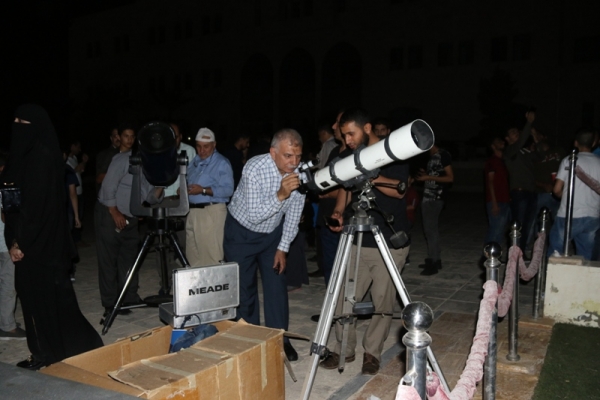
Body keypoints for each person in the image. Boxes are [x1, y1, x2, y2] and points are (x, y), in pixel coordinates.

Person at [2, 104, 102, 369]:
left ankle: (54, 353)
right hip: (28, 242)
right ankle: (45, 352)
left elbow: (36, 210)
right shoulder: (23, 156)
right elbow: (12, 204)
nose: (16, 127)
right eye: (14, 121)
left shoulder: (41, 159)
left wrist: (18, 243)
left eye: (21, 122)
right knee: (35, 301)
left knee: (48, 302)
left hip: (39, 246)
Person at [321, 107, 410, 375]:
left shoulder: (393, 151)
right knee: (344, 298)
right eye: (344, 134)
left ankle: (372, 352)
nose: (346, 140)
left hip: (388, 240)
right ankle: (343, 349)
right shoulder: (349, 155)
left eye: (351, 134)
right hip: (358, 238)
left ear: (367, 128)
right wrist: (339, 211)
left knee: (382, 302)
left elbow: (398, 191)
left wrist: (369, 172)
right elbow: (346, 188)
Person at [223, 128, 305, 362]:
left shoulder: (299, 172)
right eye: (288, 156)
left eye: (298, 156)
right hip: (241, 233)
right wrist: (281, 194)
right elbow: (255, 215)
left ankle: (280, 339)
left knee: (276, 285)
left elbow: (294, 214)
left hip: (272, 235)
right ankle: (251, 341)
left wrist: (283, 248)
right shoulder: (254, 168)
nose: (294, 163)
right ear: (273, 153)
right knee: (244, 290)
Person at [96, 123, 165, 317]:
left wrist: (161, 184)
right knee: (109, 261)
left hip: (132, 218)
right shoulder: (122, 159)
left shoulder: (150, 166)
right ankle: (110, 303)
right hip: (110, 214)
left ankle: (129, 296)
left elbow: (150, 197)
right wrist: (115, 212)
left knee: (129, 260)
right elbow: (107, 187)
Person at [547, 128, 600, 260]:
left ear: (576, 143)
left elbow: (556, 190)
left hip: (570, 214)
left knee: (555, 252)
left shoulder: (569, 160)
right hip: (592, 215)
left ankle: (555, 274)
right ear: (594, 143)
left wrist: (565, 196)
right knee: (585, 255)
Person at [185, 127, 234, 267]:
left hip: (211, 212)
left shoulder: (221, 162)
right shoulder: (194, 162)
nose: (202, 150)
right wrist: (183, 190)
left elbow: (228, 190)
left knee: (212, 258)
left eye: (206, 146)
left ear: (214, 145)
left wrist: (203, 190)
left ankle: (214, 282)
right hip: (192, 212)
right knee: (192, 257)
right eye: (199, 146)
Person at [416, 142, 454, 275]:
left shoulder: (443, 155)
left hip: (435, 197)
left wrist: (428, 177)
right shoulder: (431, 156)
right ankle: (435, 259)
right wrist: (426, 174)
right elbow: (437, 175)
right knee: (430, 230)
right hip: (428, 196)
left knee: (431, 230)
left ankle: (433, 263)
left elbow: (450, 178)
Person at [0, 151, 26, 340]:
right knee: (9, 284)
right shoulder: (6, 186)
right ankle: (7, 326)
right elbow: (7, 217)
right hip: (3, 243)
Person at [503, 111, 538, 250]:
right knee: (518, 225)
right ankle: (514, 252)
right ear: (507, 138)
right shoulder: (510, 150)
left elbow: (539, 157)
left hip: (532, 192)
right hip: (519, 193)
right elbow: (521, 141)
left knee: (528, 225)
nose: (516, 132)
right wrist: (528, 123)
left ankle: (520, 253)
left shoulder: (524, 151)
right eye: (512, 132)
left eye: (517, 131)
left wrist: (535, 138)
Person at [484, 137, 511, 248]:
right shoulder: (492, 161)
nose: (501, 142)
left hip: (505, 200)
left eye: (501, 141)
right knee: (495, 230)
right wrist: (494, 203)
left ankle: (495, 253)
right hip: (496, 200)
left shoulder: (503, 161)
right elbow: (490, 182)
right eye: (498, 142)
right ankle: (487, 254)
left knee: (500, 230)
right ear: (493, 146)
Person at [66, 139, 89, 245]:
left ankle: (77, 239)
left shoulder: (74, 158)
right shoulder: (66, 160)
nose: (79, 150)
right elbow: (70, 172)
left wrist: (84, 162)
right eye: (78, 147)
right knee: (71, 217)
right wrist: (78, 167)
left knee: (79, 215)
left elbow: (80, 170)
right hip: (71, 193)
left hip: (79, 191)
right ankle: (72, 241)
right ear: (72, 146)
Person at [95, 127, 120, 194]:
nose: (118, 138)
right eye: (115, 136)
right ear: (111, 138)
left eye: (119, 135)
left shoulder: (126, 153)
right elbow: (99, 179)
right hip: (108, 195)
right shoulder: (105, 154)